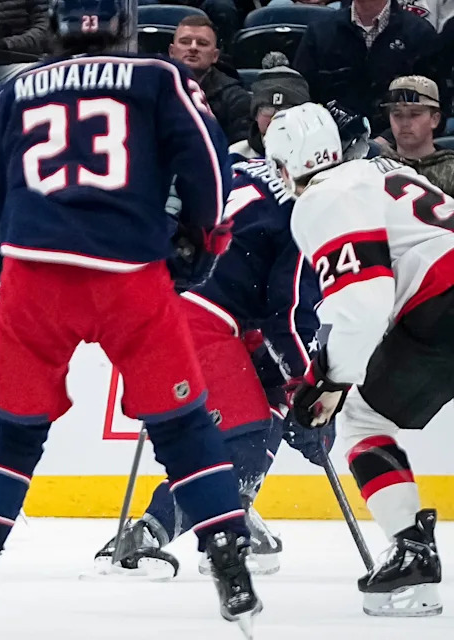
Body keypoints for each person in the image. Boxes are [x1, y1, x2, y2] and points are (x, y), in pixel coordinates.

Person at [0, 1, 261, 638]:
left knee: (12, 426)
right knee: (181, 425)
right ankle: (230, 561)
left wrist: (16, 277)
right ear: (125, 26)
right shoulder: (156, 77)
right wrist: (203, 239)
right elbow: (207, 162)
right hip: (128, 272)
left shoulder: (12, 92)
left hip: (34, 271)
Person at [93, 102, 375, 580]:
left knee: (269, 401)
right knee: (239, 438)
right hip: (194, 320)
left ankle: (233, 518)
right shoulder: (307, 212)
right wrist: (312, 387)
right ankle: (145, 535)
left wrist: (294, 396)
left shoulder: (240, 170)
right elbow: (286, 316)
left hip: (159, 305)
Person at [265, 102, 448, 617]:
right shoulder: (382, 171)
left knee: (364, 420)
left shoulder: (327, 195)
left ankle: (413, 555)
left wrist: (332, 379)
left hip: (443, 301)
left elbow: (363, 302)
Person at [293, 0, 439, 134]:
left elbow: (436, 105)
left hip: (401, 145)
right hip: (331, 143)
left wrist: (388, 139)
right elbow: (301, 99)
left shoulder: (420, 33)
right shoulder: (319, 32)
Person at [167, 15, 251, 145]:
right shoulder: (153, 91)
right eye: (185, 42)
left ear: (215, 56)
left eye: (202, 43)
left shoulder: (236, 98)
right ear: (171, 52)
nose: (193, 48)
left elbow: (242, 150)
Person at [379, 76, 454, 196]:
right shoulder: (375, 169)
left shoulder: (451, 172)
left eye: (414, 114)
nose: (404, 123)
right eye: (397, 114)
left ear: (434, 119)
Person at [229, 52, 310, 163]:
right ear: (256, 115)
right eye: (268, 108)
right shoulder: (236, 155)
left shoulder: (322, 154)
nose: (276, 116)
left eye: (285, 109)